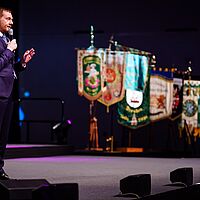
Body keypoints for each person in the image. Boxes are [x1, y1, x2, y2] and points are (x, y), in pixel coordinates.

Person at [0, 7, 35, 180]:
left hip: (8, 94)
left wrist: (22, 63)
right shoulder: (6, 43)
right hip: (0, 94)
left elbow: (8, 69)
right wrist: (8, 50)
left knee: (3, 135)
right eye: (7, 18)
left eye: (12, 19)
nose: (11, 22)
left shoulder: (6, 40)